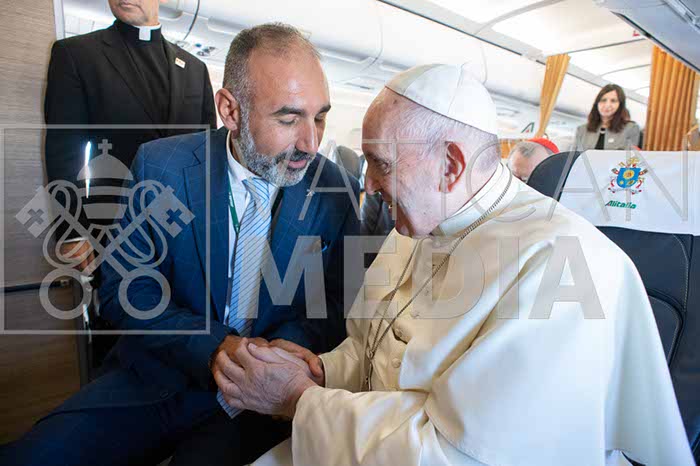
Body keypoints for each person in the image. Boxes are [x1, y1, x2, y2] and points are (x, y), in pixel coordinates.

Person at [216, 64, 694, 466]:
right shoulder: (419, 222)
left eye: (381, 163)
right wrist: (320, 371)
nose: (371, 185)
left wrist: (298, 399)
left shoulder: (561, 263)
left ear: (450, 166)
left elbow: (459, 455)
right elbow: (374, 352)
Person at [2, 23, 359, 466]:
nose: (311, 142)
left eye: (320, 117)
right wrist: (216, 347)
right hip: (158, 373)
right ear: (230, 110)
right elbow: (127, 290)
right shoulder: (161, 166)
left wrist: (270, 355)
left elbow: (335, 306)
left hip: (262, 397)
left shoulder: (336, 190)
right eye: (289, 119)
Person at [44, 0, 217, 269]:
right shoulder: (77, 54)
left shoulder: (195, 69)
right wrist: (72, 230)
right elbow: (64, 149)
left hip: (183, 227)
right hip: (113, 226)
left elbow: (207, 155)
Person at [574, 83, 641, 152]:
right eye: (603, 100)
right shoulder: (581, 130)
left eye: (613, 101)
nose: (607, 105)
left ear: (620, 105)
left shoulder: (631, 128)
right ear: (597, 103)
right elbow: (573, 156)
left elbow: (629, 157)